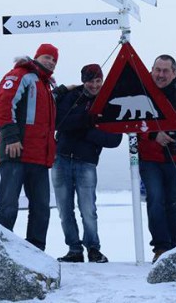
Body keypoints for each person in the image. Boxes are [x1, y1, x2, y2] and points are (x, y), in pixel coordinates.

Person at [52, 64, 122, 263]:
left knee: (88, 209)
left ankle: (93, 248)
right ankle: (74, 250)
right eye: (91, 81)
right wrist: (89, 121)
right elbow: (59, 122)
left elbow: (114, 139)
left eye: (98, 80)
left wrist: (84, 129)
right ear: (84, 80)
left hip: (87, 162)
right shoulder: (72, 97)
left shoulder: (109, 102)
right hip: (61, 159)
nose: (95, 85)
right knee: (64, 209)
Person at [0, 43, 59, 251]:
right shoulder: (21, 75)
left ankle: (35, 253)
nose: (50, 61)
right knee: (8, 206)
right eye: (47, 57)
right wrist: (11, 138)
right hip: (16, 154)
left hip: (39, 158)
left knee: (41, 208)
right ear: (37, 57)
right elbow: (3, 105)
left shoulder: (46, 85)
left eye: (54, 59)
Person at [138, 54, 176, 262]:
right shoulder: (140, 90)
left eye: (166, 71)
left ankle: (174, 247)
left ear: (174, 73)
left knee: (175, 203)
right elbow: (130, 123)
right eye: (157, 70)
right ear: (151, 70)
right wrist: (154, 135)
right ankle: (161, 248)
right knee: (155, 201)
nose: (160, 75)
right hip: (150, 159)